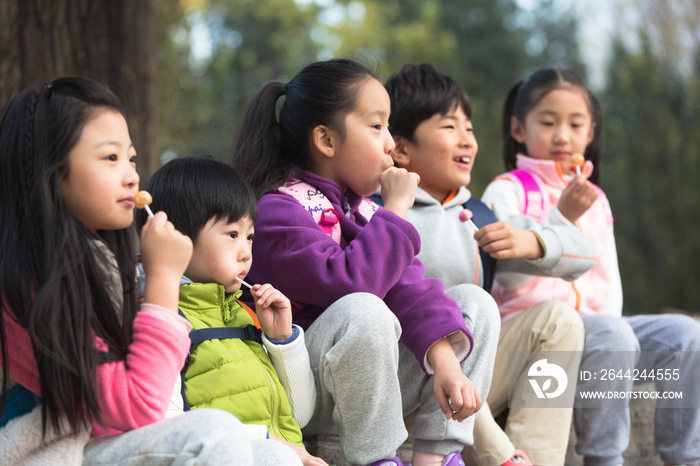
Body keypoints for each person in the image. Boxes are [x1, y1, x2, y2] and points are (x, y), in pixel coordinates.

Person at [0, 77, 297, 465]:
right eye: (110, 158)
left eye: (132, 158)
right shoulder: (39, 281)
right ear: (53, 172)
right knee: (214, 436)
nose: (131, 176)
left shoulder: (100, 264)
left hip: (115, 440)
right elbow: (138, 406)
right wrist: (162, 281)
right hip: (70, 449)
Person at [230, 58, 501, 466]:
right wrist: (394, 210)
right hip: (302, 391)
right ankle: (378, 458)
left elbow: (412, 289)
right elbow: (351, 283)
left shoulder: (361, 213)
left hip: (368, 382)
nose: (391, 143)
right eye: (377, 127)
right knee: (364, 309)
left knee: (474, 305)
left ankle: (437, 455)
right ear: (326, 140)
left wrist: (446, 363)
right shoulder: (278, 210)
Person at [482, 67, 700, 466]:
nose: (562, 135)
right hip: (541, 337)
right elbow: (508, 270)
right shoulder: (507, 189)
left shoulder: (595, 197)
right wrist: (561, 215)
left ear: (590, 132)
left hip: (605, 336)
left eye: (575, 123)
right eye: (547, 122)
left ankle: (686, 457)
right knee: (612, 333)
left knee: (686, 335)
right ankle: (605, 459)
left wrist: (615, 335)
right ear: (518, 129)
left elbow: (608, 278)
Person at [384, 63, 594, 466]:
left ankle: (536, 459)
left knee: (559, 320)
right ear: (402, 147)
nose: (467, 140)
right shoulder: (381, 213)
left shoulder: (480, 216)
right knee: (457, 323)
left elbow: (583, 255)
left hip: (467, 384)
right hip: (402, 384)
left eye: (470, 128)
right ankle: (502, 459)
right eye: (449, 127)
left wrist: (532, 241)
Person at [135, 156, 326, 466]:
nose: (246, 253)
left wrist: (282, 341)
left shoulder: (245, 317)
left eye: (250, 236)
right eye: (232, 235)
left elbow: (298, 416)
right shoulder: (163, 319)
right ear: (176, 238)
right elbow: (164, 423)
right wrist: (268, 440)